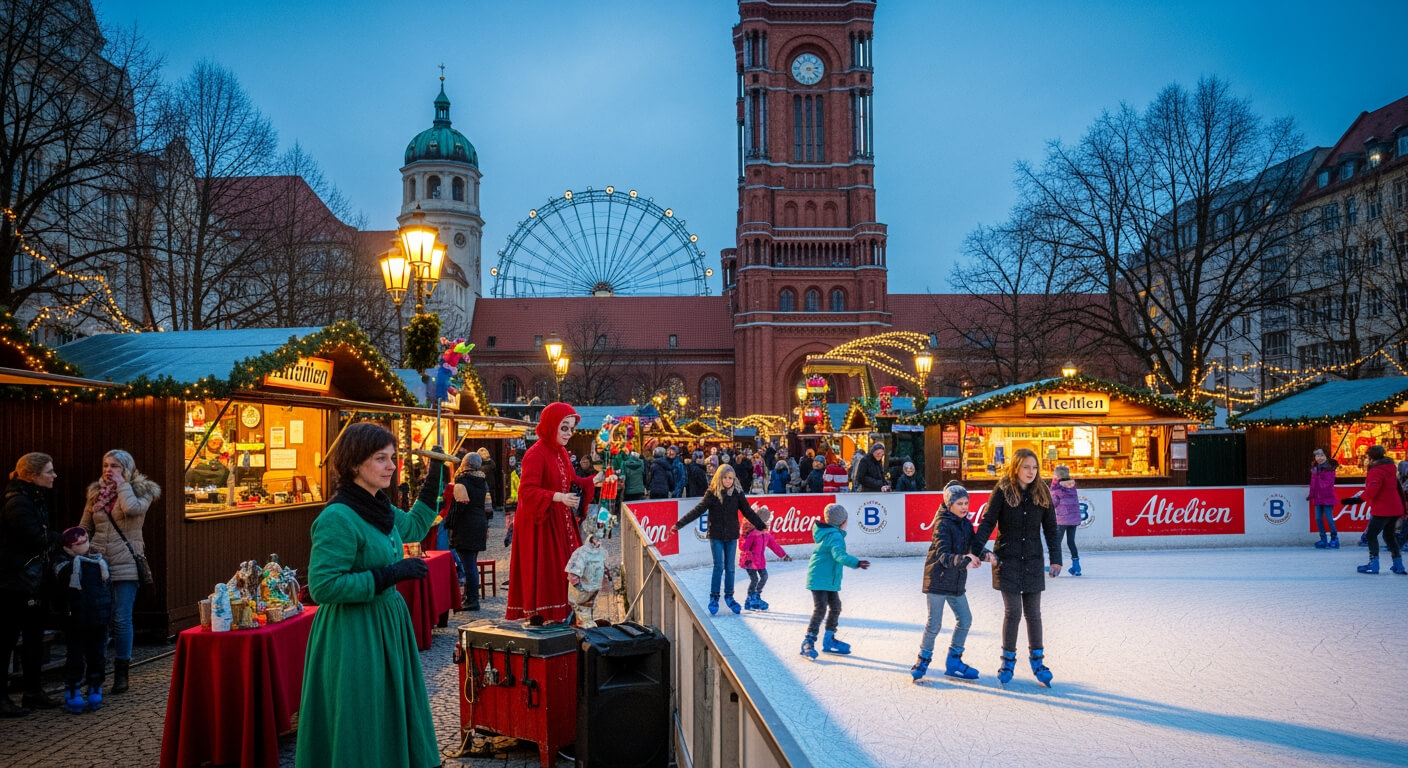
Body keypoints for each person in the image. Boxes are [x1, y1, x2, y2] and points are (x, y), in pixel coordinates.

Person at [295, 422, 443, 767]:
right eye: (381, 458)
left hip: (386, 624)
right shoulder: (338, 517)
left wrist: (434, 474)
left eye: (392, 457)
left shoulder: (379, 507)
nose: (391, 466)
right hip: (354, 632)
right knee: (361, 713)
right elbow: (323, 586)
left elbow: (414, 527)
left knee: (388, 707)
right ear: (354, 464)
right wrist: (389, 575)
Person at [969, 447, 1061, 687]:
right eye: (1026, 467)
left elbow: (1051, 528)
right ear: (1016, 468)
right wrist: (975, 550)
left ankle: (1038, 662)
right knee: (1013, 612)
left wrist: (1056, 558)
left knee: (1033, 613)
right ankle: (1007, 661)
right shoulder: (1002, 490)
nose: (1031, 472)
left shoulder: (1042, 491)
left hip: (1032, 559)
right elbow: (988, 522)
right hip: (1007, 559)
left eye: (1035, 467)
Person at [79, 448, 160, 695]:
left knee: (122, 619)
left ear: (126, 468)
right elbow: (85, 525)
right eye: (106, 465)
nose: (108, 470)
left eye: (114, 466)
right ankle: (96, 673)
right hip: (99, 564)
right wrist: (80, 544)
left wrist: (122, 484)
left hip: (126, 561)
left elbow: (132, 509)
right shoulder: (96, 493)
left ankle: (122, 672)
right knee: (99, 620)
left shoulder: (143, 491)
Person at [506, 403, 585, 623]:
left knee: (566, 569)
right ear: (552, 426)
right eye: (564, 428)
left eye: (571, 428)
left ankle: (565, 616)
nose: (569, 433)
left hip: (560, 520)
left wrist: (597, 480)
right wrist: (558, 497)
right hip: (542, 524)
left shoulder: (561, 452)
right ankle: (548, 617)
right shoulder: (535, 454)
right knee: (549, 571)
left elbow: (573, 480)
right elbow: (527, 491)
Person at [1, 453, 62, 715]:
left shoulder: (34, 498)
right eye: (49, 471)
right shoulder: (18, 502)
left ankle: (33, 691)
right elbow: (35, 538)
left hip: (33, 581)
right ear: (32, 475)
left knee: (34, 638)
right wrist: (61, 538)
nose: (54, 475)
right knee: (7, 640)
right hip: (15, 583)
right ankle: (3, 698)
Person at [911, 485, 983, 682]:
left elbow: (973, 547)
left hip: (955, 581)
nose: (964, 507)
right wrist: (965, 560)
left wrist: (988, 556)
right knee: (934, 624)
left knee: (965, 619)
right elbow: (943, 556)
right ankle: (923, 660)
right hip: (938, 580)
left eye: (966, 503)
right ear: (949, 504)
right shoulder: (942, 524)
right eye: (959, 503)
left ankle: (954, 661)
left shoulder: (966, 524)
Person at [673, 465, 767, 615]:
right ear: (719, 477)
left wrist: (761, 525)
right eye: (725, 478)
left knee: (730, 568)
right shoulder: (712, 493)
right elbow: (698, 510)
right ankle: (714, 597)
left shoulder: (737, 493)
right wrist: (680, 524)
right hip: (716, 535)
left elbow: (748, 512)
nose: (728, 481)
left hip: (731, 535)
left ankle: (729, 596)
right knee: (718, 567)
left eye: (731, 478)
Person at [53, 527, 113, 713]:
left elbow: (59, 596)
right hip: (99, 618)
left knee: (76, 655)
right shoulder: (100, 563)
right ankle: (95, 691)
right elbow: (109, 593)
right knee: (96, 654)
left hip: (76, 619)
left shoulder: (63, 566)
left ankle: (73, 694)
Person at [801, 503, 870, 659]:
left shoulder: (829, 533)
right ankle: (808, 641)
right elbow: (839, 556)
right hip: (820, 578)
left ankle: (829, 638)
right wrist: (856, 562)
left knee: (835, 606)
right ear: (842, 522)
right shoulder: (835, 536)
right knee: (820, 608)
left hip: (827, 579)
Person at [1343, 445, 1405, 574]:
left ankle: (1374, 563)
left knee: (1371, 535)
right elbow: (1397, 488)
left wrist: (1356, 500)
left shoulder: (1376, 470)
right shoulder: (1390, 468)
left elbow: (1372, 490)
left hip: (1383, 509)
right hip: (1395, 507)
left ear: (1370, 457)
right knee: (1389, 536)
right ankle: (1398, 564)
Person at [446, 452, 489, 611]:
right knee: (471, 562)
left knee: (469, 565)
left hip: (465, 526)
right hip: (479, 523)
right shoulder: (482, 481)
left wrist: (450, 524)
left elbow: (459, 508)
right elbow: (487, 506)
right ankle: (469, 596)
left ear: (464, 463)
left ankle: (472, 599)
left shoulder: (462, 481)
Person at [738, 509, 791, 610]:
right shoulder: (749, 531)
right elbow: (743, 547)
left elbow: (773, 545)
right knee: (754, 579)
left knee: (764, 576)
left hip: (759, 560)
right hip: (749, 560)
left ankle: (756, 596)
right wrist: (751, 535)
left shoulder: (765, 533)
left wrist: (784, 555)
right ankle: (750, 599)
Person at [564, 517, 611, 627]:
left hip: (591, 591)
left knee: (588, 614)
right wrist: (580, 588)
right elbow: (572, 574)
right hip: (582, 593)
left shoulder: (598, 552)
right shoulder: (581, 554)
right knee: (584, 619)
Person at [1050, 465, 1082, 575]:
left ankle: (1055, 566)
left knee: (1056, 543)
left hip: (1063, 519)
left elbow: (1054, 503)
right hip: (1073, 519)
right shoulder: (1072, 486)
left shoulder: (1057, 488)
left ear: (1057, 475)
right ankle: (1076, 566)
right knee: (1071, 542)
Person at [1308, 448, 1339, 549]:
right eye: (1317, 456)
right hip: (1317, 497)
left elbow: (1327, 484)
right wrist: (1311, 494)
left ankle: (1334, 539)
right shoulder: (1315, 468)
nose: (1319, 458)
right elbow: (1313, 483)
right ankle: (1323, 539)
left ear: (1326, 457)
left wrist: (1318, 476)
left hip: (1327, 496)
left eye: (1321, 455)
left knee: (1329, 518)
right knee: (1318, 518)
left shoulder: (1330, 469)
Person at [478, 447, 502, 515]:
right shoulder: (491, 462)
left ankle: (487, 508)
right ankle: (492, 506)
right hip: (490, 480)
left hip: (483, 480)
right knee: (491, 493)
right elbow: (494, 469)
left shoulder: (479, 462)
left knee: (485, 494)